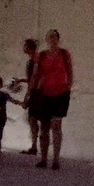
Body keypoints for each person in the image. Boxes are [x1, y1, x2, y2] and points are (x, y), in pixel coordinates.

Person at [29, 29, 72, 170]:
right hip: (44, 93)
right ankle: (43, 158)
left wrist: (68, 86)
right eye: (50, 37)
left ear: (58, 39)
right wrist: (30, 92)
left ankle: (55, 160)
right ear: (46, 39)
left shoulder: (65, 54)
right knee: (44, 127)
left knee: (57, 126)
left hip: (60, 93)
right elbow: (35, 75)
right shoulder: (41, 56)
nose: (52, 39)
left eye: (54, 36)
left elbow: (70, 71)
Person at [7, 38, 40, 155]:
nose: (23, 48)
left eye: (25, 45)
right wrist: (22, 80)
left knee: (33, 119)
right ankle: (35, 145)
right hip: (38, 91)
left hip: (36, 92)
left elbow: (34, 79)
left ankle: (35, 146)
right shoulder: (34, 60)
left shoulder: (33, 61)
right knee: (33, 119)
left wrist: (28, 94)